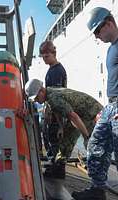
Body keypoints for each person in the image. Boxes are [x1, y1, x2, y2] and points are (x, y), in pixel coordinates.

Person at [72, 7, 118, 200]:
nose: (96, 37)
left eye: (97, 31)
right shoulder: (110, 50)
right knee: (95, 145)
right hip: (112, 105)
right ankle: (97, 189)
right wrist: (107, 109)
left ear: (108, 23)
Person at [25, 79, 103, 179]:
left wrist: (86, 136)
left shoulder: (53, 98)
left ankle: (97, 182)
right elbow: (57, 111)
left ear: (41, 91)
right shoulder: (50, 93)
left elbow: (73, 116)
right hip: (81, 113)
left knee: (90, 145)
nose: (36, 101)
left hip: (91, 113)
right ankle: (59, 166)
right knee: (66, 137)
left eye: (36, 98)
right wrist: (61, 127)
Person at [39, 40, 67, 164]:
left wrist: (60, 124)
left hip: (55, 115)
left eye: (47, 56)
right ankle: (53, 164)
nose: (44, 59)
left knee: (54, 140)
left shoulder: (56, 71)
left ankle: (56, 168)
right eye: (43, 56)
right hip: (51, 112)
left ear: (54, 53)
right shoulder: (51, 70)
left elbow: (57, 99)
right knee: (49, 138)